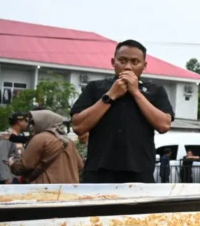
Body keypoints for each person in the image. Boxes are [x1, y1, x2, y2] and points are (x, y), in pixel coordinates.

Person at [70, 40, 174, 183]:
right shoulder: (95, 88)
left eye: (135, 62)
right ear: (113, 62)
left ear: (144, 66)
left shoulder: (155, 91)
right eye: (122, 60)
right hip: (99, 173)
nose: (127, 67)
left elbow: (164, 125)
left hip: (140, 173)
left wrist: (136, 92)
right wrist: (111, 95)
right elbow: (78, 126)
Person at [7, 110, 83, 184]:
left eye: (34, 123)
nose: (31, 126)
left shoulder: (40, 138)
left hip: (47, 190)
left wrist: (12, 164)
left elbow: (24, 166)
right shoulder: (69, 141)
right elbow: (80, 165)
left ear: (43, 122)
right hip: (70, 190)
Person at [0, 112, 28, 184]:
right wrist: (7, 178)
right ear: (19, 122)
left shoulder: (17, 136)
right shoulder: (7, 136)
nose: (27, 124)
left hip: (16, 178)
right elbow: (2, 158)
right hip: (6, 180)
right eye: (25, 121)